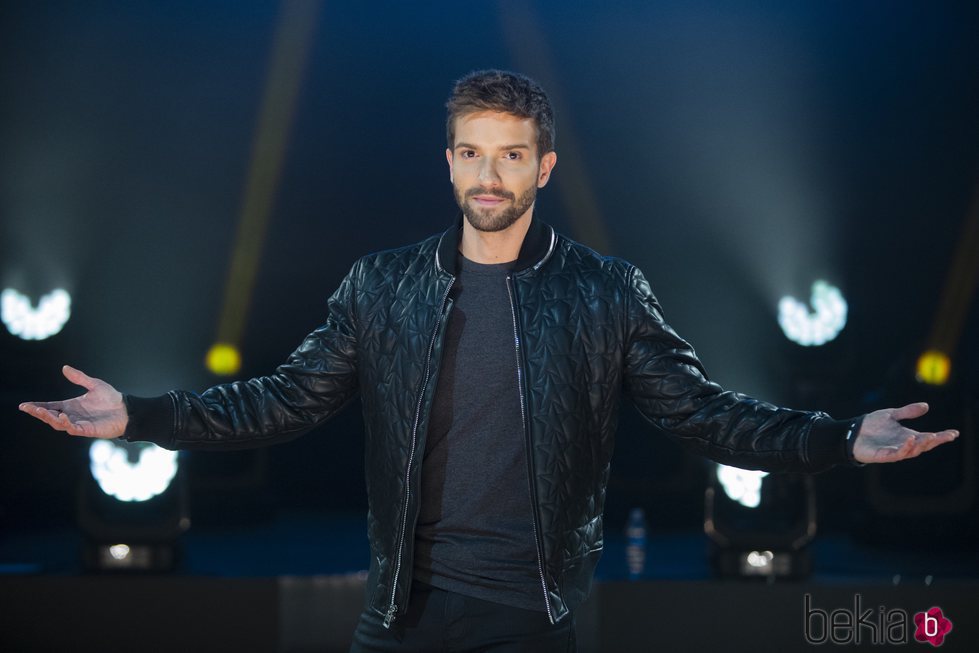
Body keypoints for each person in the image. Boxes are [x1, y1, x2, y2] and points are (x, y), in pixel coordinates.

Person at [19, 70, 958, 653]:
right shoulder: (381, 286)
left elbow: (706, 415)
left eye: (510, 156)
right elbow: (281, 402)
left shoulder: (604, 290)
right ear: (449, 161)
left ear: (543, 167)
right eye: (471, 153)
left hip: (531, 611)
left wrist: (841, 439)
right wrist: (138, 416)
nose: (488, 175)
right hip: (400, 609)